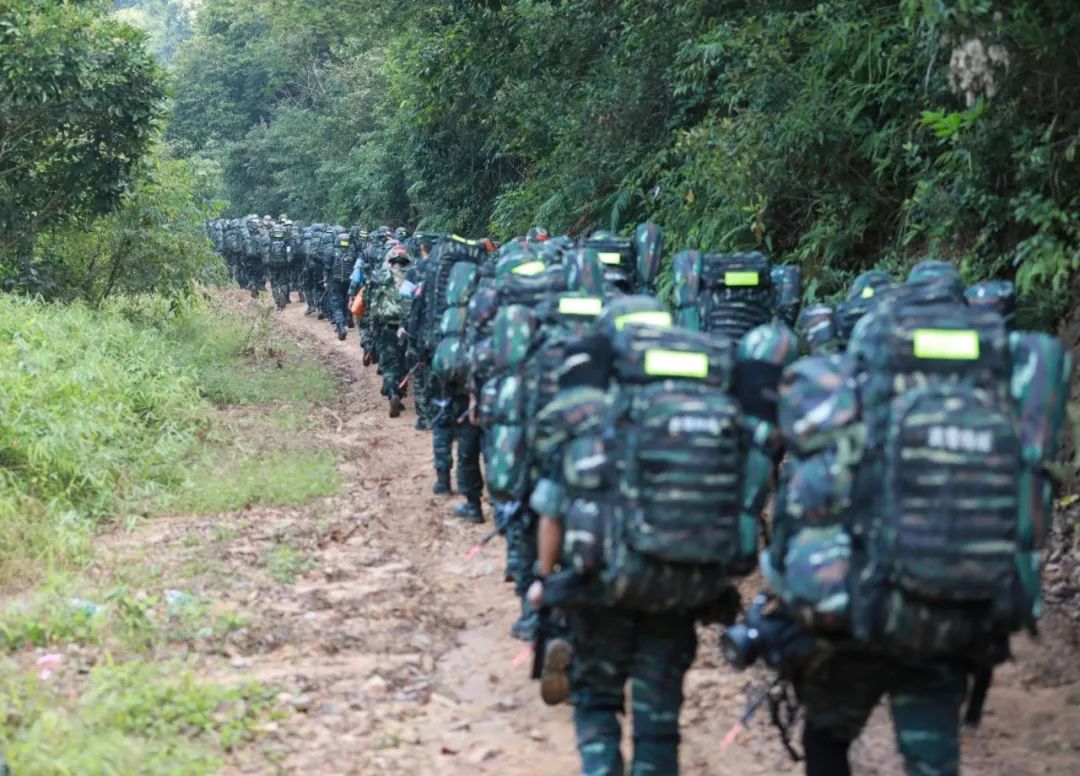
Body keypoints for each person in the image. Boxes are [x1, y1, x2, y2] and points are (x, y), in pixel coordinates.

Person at [366, 245, 414, 417]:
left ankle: (392, 393)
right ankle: (400, 394)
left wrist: (371, 323)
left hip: (387, 326)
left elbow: (371, 300)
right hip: (407, 328)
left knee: (388, 363)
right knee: (403, 362)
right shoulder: (413, 277)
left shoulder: (380, 275)